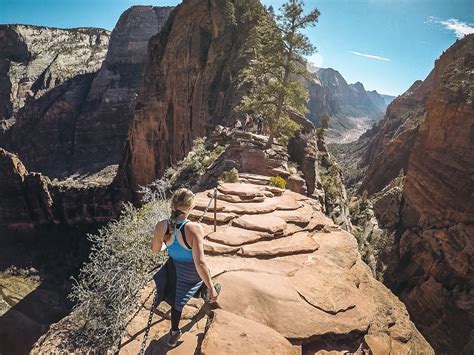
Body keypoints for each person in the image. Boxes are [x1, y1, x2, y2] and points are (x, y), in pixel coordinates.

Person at [151, 188, 220, 347]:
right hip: (191, 272)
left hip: (174, 268)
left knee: (178, 300)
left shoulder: (162, 225)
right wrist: (212, 288)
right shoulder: (194, 228)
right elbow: (200, 263)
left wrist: (168, 246)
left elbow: (156, 250)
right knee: (205, 279)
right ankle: (206, 291)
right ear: (190, 207)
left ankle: (173, 333)